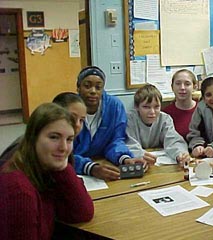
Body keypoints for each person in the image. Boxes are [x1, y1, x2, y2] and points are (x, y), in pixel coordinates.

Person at [0, 103, 94, 240]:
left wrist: (63, 167)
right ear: (33, 138)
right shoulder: (19, 189)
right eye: (54, 137)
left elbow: (83, 213)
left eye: (69, 139)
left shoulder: (44, 168)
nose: (63, 147)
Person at [74, 66, 147, 181]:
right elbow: (63, 154)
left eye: (98, 87)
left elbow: (115, 140)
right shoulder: (70, 108)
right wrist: (90, 167)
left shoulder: (114, 106)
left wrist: (124, 158)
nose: (93, 91)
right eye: (87, 86)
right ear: (78, 87)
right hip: (75, 168)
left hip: (103, 162)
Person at [0, 92, 86, 167]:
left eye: (81, 120)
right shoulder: (21, 151)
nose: (77, 124)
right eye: (72, 117)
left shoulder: (65, 144)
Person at [126, 84, 190, 165]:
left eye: (156, 107)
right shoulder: (129, 119)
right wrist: (141, 155)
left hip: (158, 164)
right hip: (140, 163)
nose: (152, 112)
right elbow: (129, 143)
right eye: (146, 107)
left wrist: (180, 154)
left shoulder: (165, 119)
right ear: (137, 107)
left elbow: (173, 140)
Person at [163, 69, 198, 140]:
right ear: (172, 87)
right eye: (178, 83)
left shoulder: (203, 110)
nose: (182, 88)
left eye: (187, 84)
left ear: (194, 87)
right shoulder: (165, 114)